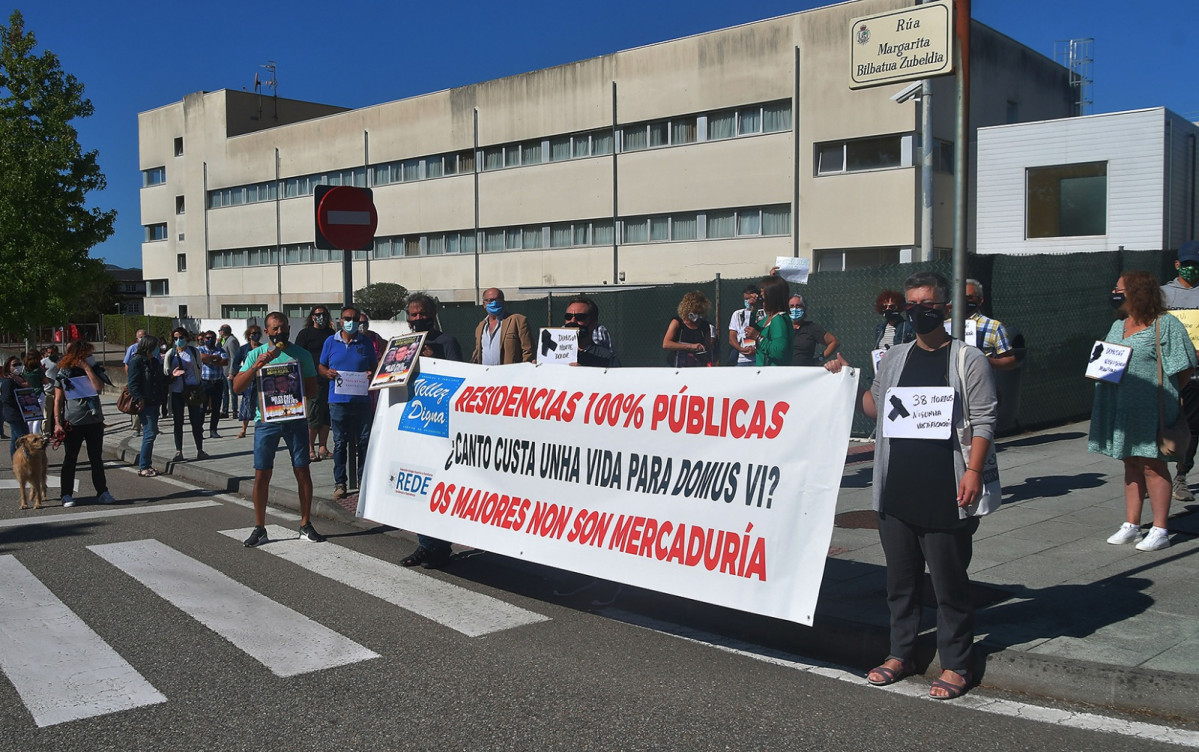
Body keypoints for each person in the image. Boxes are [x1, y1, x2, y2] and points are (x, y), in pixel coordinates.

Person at [830, 271, 996, 701]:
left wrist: (973, 472)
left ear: (944, 307)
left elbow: (983, 422)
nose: (919, 312)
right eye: (912, 305)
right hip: (897, 488)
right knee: (900, 583)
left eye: (928, 305)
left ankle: (957, 663)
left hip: (946, 488)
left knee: (948, 584)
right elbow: (876, 408)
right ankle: (899, 653)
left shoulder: (966, 359)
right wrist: (847, 379)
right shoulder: (895, 358)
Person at [1089, 270, 1195, 553]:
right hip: (1121, 406)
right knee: (1131, 463)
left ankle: (1160, 528)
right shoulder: (1119, 326)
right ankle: (1132, 524)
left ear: (1137, 292)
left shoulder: (1166, 325)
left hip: (1153, 408)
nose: (1115, 293)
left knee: (1153, 464)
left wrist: (1165, 394)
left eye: (1119, 288)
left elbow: (1185, 367)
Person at [233, 311, 327, 547]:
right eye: (274, 329)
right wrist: (256, 367)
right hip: (266, 422)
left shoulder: (302, 354)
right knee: (262, 474)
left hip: (295, 420)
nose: (279, 332)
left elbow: (313, 390)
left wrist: (295, 383)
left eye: (283, 328)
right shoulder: (255, 353)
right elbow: (236, 387)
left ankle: (305, 524)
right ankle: (259, 528)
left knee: (302, 470)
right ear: (266, 332)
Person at [399, 296, 467, 570]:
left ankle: (440, 545)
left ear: (433, 314)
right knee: (417, 488)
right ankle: (426, 545)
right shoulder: (404, 344)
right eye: (412, 315)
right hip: (413, 424)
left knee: (438, 487)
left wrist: (433, 359)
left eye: (422, 314)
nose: (417, 319)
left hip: (440, 425)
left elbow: (461, 377)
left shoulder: (447, 341)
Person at [319, 305, 378, 500]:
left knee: (363, 442)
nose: (350, 321)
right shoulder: (330, 341)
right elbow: (321, 366)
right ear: (340, 320)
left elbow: (375, 367)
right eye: (347, 318)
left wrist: (371, 374)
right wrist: (327, 373)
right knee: (339, 443)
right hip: (338, 400)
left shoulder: (365, 343)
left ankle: (363, 482)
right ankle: (340, 483)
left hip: (361, 400)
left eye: (354, 318)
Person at [54, 341, 116, 507]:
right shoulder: (64, 372)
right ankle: (66, 494)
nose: (91, 357)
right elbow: (58, 400)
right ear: (79, 355)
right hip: (73, 421)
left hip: (94, 421)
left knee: (96, 458)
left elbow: (98, 388)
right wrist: (57, 423)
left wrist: (87, 368)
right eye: (88, 354)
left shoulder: (93, 370)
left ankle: (102, 491)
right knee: (70, 458)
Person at [1160, 240, 1199, 503]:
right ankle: (1156, 474)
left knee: (1193, 427)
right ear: (1177, 265)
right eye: (1187, 265)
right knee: (1163, 423)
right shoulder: (1162, 294)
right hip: (1167, 371)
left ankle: (1181, 476)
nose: (1192, 270)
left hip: (1195, 373)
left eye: (1196, 265)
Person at [296, 306, 335, 462]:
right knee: (313, 416)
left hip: (330, 381)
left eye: (324, 314)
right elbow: (297, 356)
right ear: (312, 317)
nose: (321, 317)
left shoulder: (332, 334)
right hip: (313, 380)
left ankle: (323, 448)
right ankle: (310, 448)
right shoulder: (305, 334)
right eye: (318, 314)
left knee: (326, 416)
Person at [163, 327, 207, 462]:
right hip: (177, 391)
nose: (178, 341)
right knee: (178, 422)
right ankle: (179, 451)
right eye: (175, 338)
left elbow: (199, 369)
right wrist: (173, 375)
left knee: (196, 421)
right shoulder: (170, 353)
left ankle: (200, 449)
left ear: (186, 338)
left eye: (181, 337)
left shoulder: (193, 352)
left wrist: (198, 384)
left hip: (192, 390)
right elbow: (165, 373)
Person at [126, 335, 165, 477]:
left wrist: (172, 376)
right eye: (156, 346)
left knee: (151, 434)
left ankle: (146, 464)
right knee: (149, 434)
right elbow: (132, 383)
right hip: (145, 403)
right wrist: (139, 398)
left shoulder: (154, 361)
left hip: (155, 401)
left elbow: (160, 379)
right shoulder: (136, 361)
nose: (158, 349)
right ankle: (144, 466)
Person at [471, 287, 534, 365]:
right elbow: (478, 353)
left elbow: (528, 351)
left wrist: (522, 371)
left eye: (498, 300)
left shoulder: (517, 321)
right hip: (487, 375)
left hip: (509, 374)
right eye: (490, 300)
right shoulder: (480, 327)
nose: (494, 303)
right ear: (484, 304)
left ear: (503, 302)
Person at [964, 279, 1017, 369]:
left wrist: (986, 361)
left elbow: (1010, 361)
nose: (964, 301)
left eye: (969, 297)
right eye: (961, 297)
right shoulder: (946, 324)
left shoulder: (994, 327)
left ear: (980, 301)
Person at [662, 291, 716, 367]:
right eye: (695, 312)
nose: (697, 315)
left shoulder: (705, 325)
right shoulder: (677, 323)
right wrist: (691, 346)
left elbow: (707, 348)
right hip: (677, 366)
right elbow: (666, 344)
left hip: (697, 366)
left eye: (699, 312)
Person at [748, 275, 792, 367]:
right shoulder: (767, 318)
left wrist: (758, 337)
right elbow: (751, 329)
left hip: (775, 373)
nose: (761, 301)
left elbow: (779, 352)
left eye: (763, 298)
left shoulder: (778, 320)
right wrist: (754, 309)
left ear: (772, 298)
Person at [566, 296, 621, 368]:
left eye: (580, 317)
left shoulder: (607, 358)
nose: (573, 321)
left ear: (593, 324)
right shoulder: (554, 354)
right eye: (568, 317)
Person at [787, 294, 839, 366]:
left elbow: (834, 342)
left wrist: (820, 359)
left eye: (798, 306)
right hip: (784, 371)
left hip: (805, 371)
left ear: (804, 309)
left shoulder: (811, 328)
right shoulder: (782, 328)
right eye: (791, 306)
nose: (795, 309)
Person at [197, 330, 229, 439]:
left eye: (212, 338)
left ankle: (213, 430)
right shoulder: (200, 349)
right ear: (204, 339)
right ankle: (199, 430)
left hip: (217, 382)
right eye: (208, 338)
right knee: (202, 409)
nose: (210, 340)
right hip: (205, 382)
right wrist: (215, 359)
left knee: (216, 408)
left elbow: (225, 361)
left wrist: (209, 361)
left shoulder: (220, 349)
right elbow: (201, 357)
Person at [233, 325, 264, 439]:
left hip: (260, 379)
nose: (255, 335)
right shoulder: (243, 349)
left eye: (257, 333)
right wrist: (240, 373)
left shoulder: (263, 348)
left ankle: (260, 426)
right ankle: (243, 429)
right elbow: (236, 363)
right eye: (253, 333)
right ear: (248, 335)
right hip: (248, 379)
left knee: (260, 402)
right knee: (246, 403)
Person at [1, 356, 30, 456]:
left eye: (19, 364)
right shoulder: (8, 382)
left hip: (22, 413)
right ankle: (28, 460)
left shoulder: (20, 380)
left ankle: (15, 461)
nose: (18, 367)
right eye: (14, 365)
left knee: (14, 439)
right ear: (8, 367)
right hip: (13, 414)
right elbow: (5, 399)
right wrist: (19, 401)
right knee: (24, 438)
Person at [728, 284, 762, 366]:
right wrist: (741, 349)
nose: (748, 302)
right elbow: (732, 338)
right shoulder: (737, 314)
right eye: (746, 299)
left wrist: (756, 349)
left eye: (750, 298)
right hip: (742, 359)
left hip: (758, 358)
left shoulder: (763, 313)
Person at [123, 328, 147, 435]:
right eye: (141, 337)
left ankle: (148, 426)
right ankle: (136, 428)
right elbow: (127, 364)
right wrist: (130, 379)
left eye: (144, 337)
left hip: (147, 381)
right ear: (137, 338)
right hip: (136, 380)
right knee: (137, 404)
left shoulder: (150, 348)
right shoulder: (132, 349)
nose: (143, 339)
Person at [218, 324, 240, 418]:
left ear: (223, 331)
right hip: (223, 370)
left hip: (229, 371)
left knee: (232, 392)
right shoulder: (224, 340)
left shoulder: (232, 341)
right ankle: (225, 411)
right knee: (224, 392)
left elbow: (233, 357)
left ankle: (235, 410)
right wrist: (218, 343)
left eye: (220, 331)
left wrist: (232, 372)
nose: (219, 332)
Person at [21, 351, 45, 436]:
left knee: (30, 418)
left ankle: (29, 436)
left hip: (28, 394)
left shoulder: (25, 369)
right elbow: (45, 381)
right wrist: (44, 372)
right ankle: (36, 435)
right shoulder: (38, 370)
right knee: (37, 418)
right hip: (38, 393)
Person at [40, 346, 59, 437]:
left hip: (59, 391)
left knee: (59, 414)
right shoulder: (43, 362)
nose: (51, 355)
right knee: (47, 414)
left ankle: (58, 431)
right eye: (49, 353)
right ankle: (46, 433)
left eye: (52, 353)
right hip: (48, 391)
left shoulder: (61, 361)